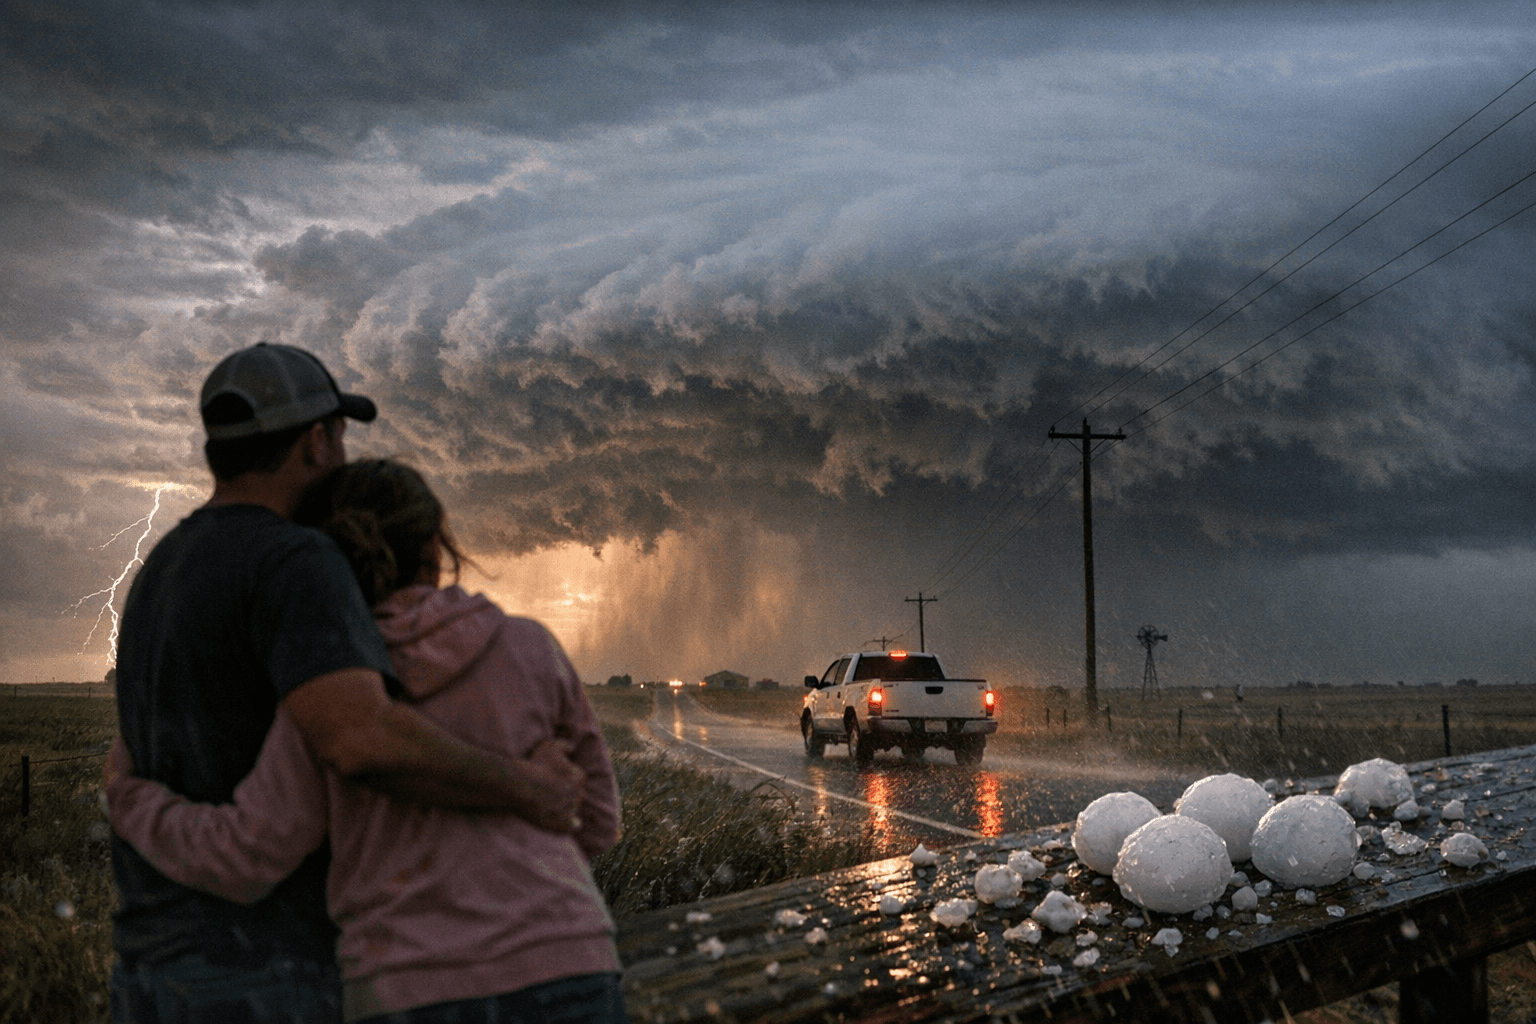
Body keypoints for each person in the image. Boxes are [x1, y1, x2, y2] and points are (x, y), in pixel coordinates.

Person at [111, 344, 587, 1023]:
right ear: (315, 442)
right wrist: (530, 786)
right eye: (337, 435)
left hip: (151, 957)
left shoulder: (163, 566)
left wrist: (128, 799)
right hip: (265, 967)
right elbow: (360, 738)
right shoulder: (298, 560)